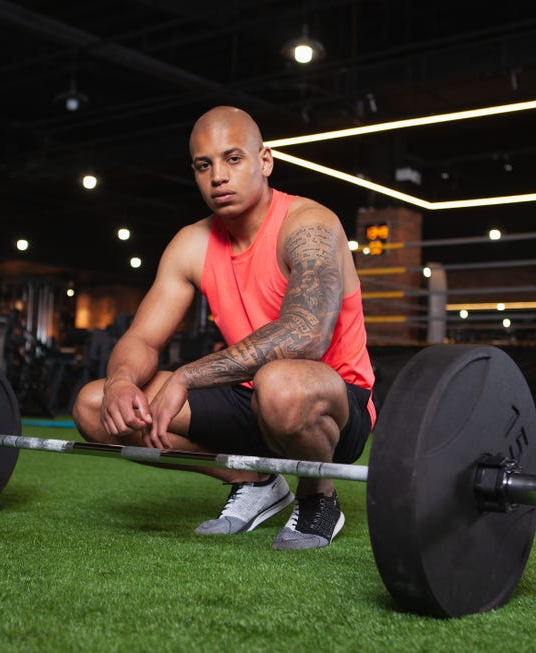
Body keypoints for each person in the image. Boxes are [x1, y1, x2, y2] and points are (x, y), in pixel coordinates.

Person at [72, 106, 375, 550]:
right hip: (247, 395)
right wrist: (120, 381)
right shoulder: (191, 244)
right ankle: (255, 481)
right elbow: (141, 338)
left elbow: (304, 334)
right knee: (94, 405)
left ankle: (318, 497)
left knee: (281, 384)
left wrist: (188, 376)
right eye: (204, 165)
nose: (218, 176)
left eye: (233, 159)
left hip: (330, 402)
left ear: (264, 161)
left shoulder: (309, 224)